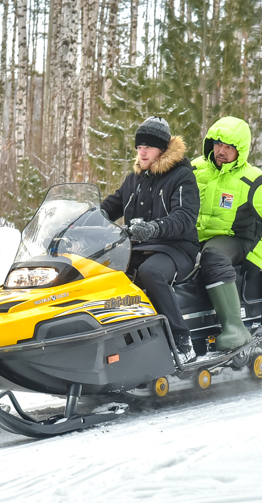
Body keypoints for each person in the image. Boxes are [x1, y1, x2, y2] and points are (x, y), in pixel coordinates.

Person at [101, 116, 201, 363]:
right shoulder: (134, 179)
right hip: (137, 247)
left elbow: (185, 217)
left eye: (148, 146)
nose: (142, 152)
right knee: (105, 272)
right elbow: (112, 205)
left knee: (150, 272)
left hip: (177, 248)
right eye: (138, 147)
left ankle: (182, 341)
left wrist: (155, 228)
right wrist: (83, 218)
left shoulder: (181, 176)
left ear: (163, 149)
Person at [192, 116, 262, 351]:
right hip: (195, 236)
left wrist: (257, 257)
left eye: (228, 147)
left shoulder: (251, 180)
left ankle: (235, 329)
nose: (220, 151)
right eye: (217, 144)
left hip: (234, 237)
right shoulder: (195, 169)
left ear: (241, 150)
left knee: (212, 256)